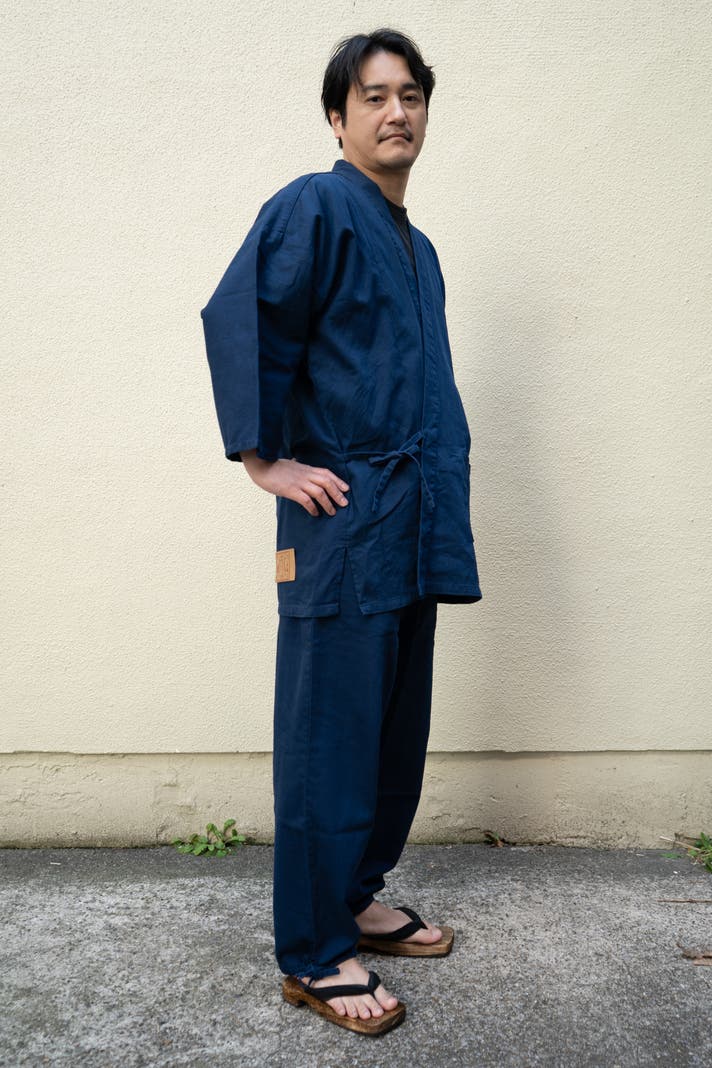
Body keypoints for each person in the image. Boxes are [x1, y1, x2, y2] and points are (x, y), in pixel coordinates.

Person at [200, 28, 483, 1035]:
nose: (396, 112)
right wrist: (263, 460)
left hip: (412, 524)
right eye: (372, 96)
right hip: (341, 528)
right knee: (329, 739)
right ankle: (314, 954)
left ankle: (355, 896)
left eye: (411, 95)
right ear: (337, 116)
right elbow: (241, 316)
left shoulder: (419, 248)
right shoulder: (312, 208)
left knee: (393, 733)